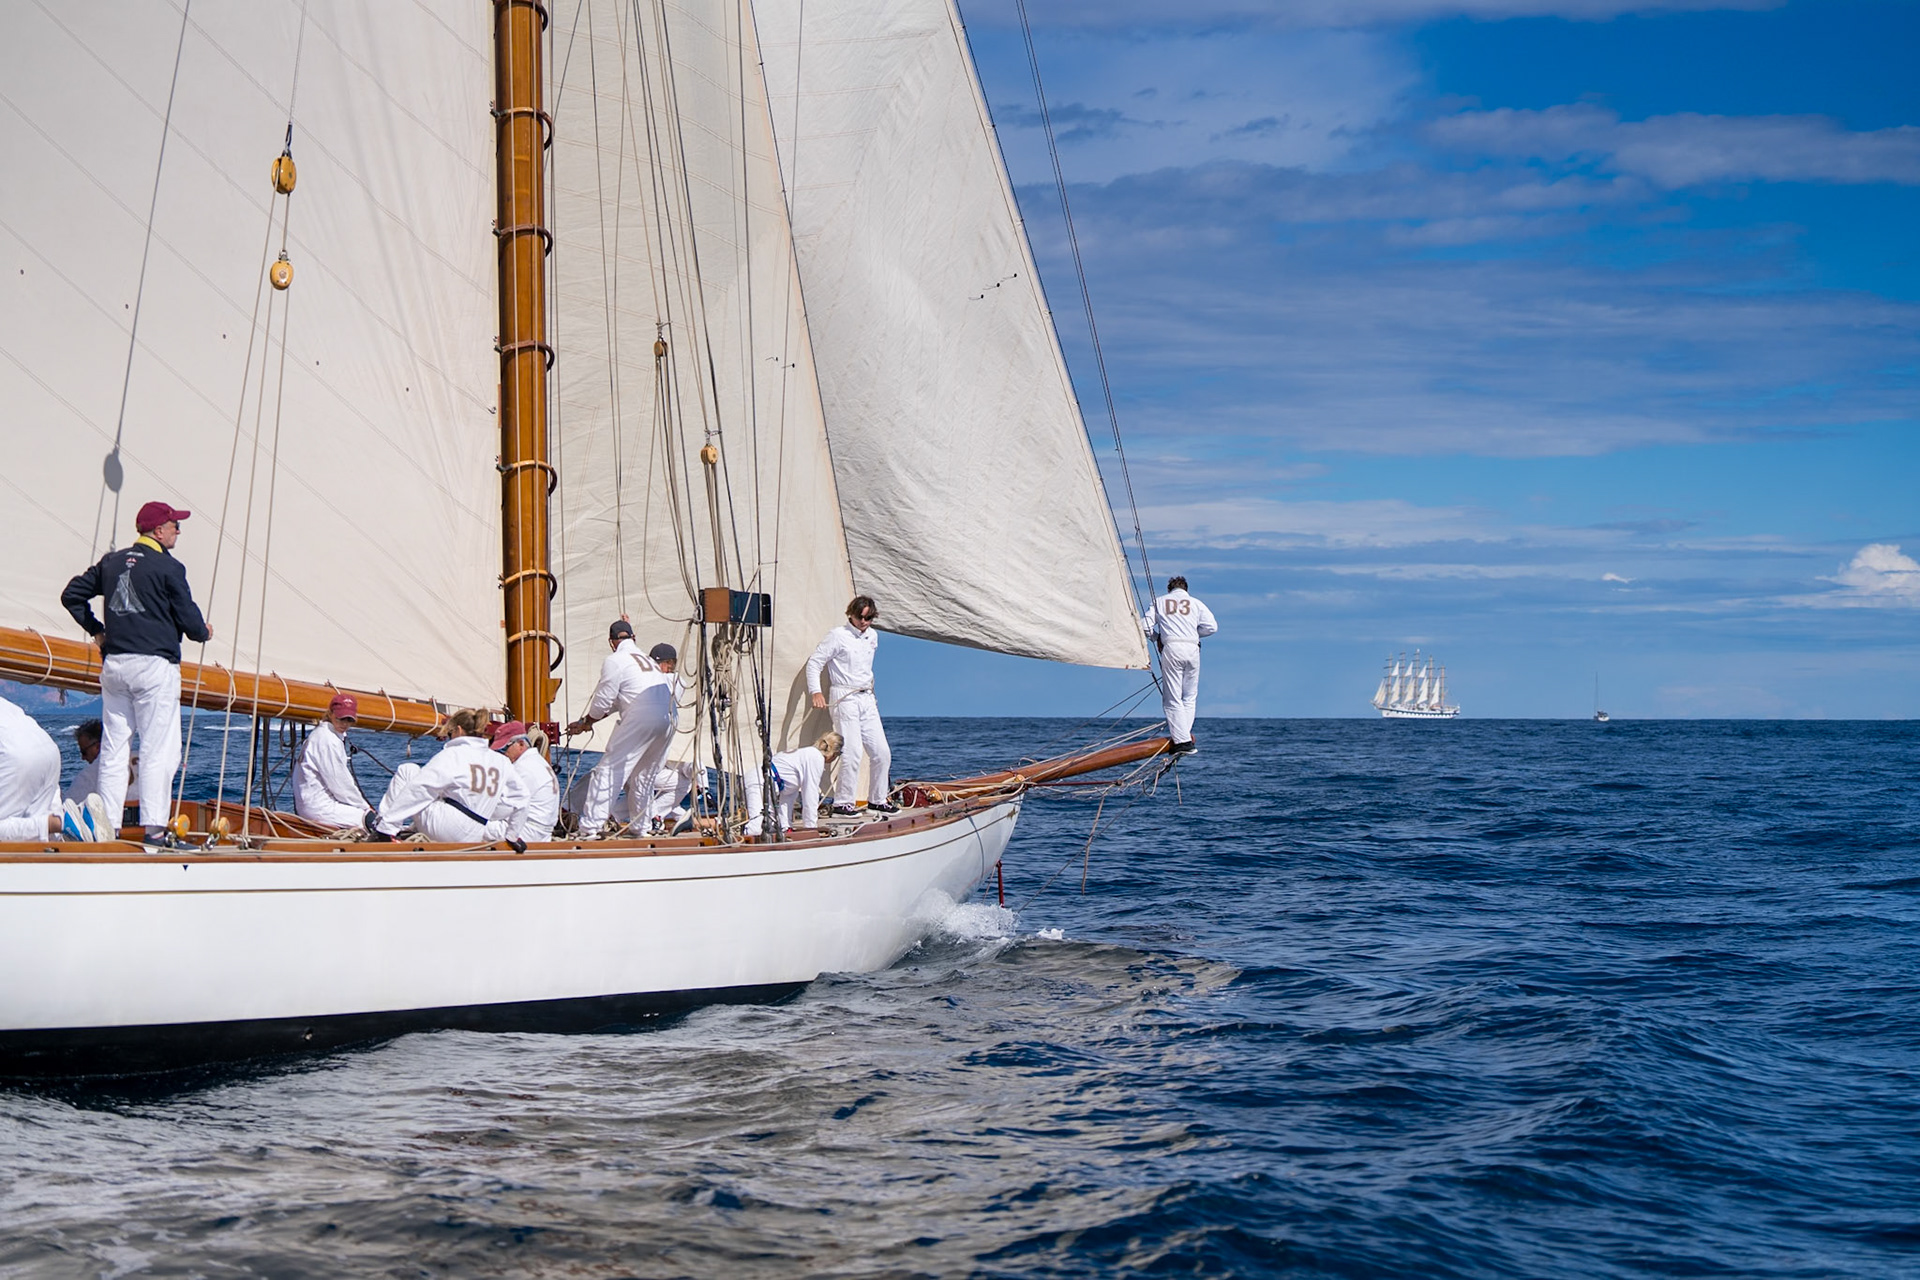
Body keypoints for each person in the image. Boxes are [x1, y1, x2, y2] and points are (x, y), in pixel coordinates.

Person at [60, 500, 212, 846]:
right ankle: (155, 832)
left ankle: (108, 830)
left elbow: (72, 596)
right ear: (158, 531)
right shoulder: (169, 567)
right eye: (175, 525)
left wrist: (97, 631)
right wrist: (205, 632)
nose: (178, 531)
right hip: (153, 668)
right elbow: (192, 626)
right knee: (160, 749)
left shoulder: (111, 562)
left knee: (114, 750)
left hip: (115, 667)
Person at [565, 620, 679, 836]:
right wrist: (588, 722)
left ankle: (589, 828)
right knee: (643, 777)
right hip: (669, 719)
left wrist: (587, 721)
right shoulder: (647, 660)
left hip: (641, 718)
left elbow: (603, 701)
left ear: (611, 642)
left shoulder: (615, 660)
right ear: (633, 638)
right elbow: (622, 700)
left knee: (609, 771)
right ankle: (641, 828)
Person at [370, 708, 530, 844]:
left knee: (408, 770)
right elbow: (522, 797)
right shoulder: (501, 761)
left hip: (446, 829)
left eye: (450, 733)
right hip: (475, 833)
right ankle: (388, 827)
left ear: (459, 730)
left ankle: (382, 829)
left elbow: (421, 788)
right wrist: (512, 835)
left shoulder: (453, 754)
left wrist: (388, 825)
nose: (449, 737)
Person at [806, 595, 894, 816]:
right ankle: (843, 803)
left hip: (867, 697)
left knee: (882, 752)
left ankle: (877, 800)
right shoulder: (838, 636)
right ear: (851, 614)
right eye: (859, 617)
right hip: (845, 697)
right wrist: (816, 691)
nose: (864, 622)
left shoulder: (873, 636)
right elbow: (815, 662)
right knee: (852, 752)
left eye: (869, 618)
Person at [1142, 575, 1217, 755]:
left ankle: (1182, 741)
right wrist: (1193, 633)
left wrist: (1157, 637)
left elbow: (1145, 626)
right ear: (1185, 589)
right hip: (1192, 648)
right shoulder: (1196, 603)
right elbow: (1212, 627)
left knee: (1172, 698)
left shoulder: (1160, 602)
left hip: (1172, 646)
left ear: (1169, 589)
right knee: (1189, 696)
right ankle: (1184, 735)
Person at [292, 694, 372, 831]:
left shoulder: (323, 734)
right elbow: (340, 784)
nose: (345, 724)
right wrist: (365, 808)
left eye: (349, 720)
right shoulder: (328, 740)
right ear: (330, 714)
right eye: (341, 718)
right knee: (370, 821)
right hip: (320, 807)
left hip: (312, 804)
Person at [742, 732, 843, 838]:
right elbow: (810, 795)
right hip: (759, 781)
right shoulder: (816, 758)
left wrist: (786, 827)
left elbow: (788, 796)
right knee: (756, 828)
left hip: (767, 783)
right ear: (834, 753)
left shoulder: (804, 755)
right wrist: (811, 829)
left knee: (770, 827)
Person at [0, 695, 66, 842]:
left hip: (15, 754)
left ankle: (59, 823)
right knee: (35, 835)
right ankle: (69, 823)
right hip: (47, 747)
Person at [491, 720, 559, 839]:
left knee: (468, 826)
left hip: (527, 831)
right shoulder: (537, 762)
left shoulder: (523, 768)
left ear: (521, 744)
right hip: (541, 832)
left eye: (504, 749)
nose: (503, 755)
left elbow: (504, 808)